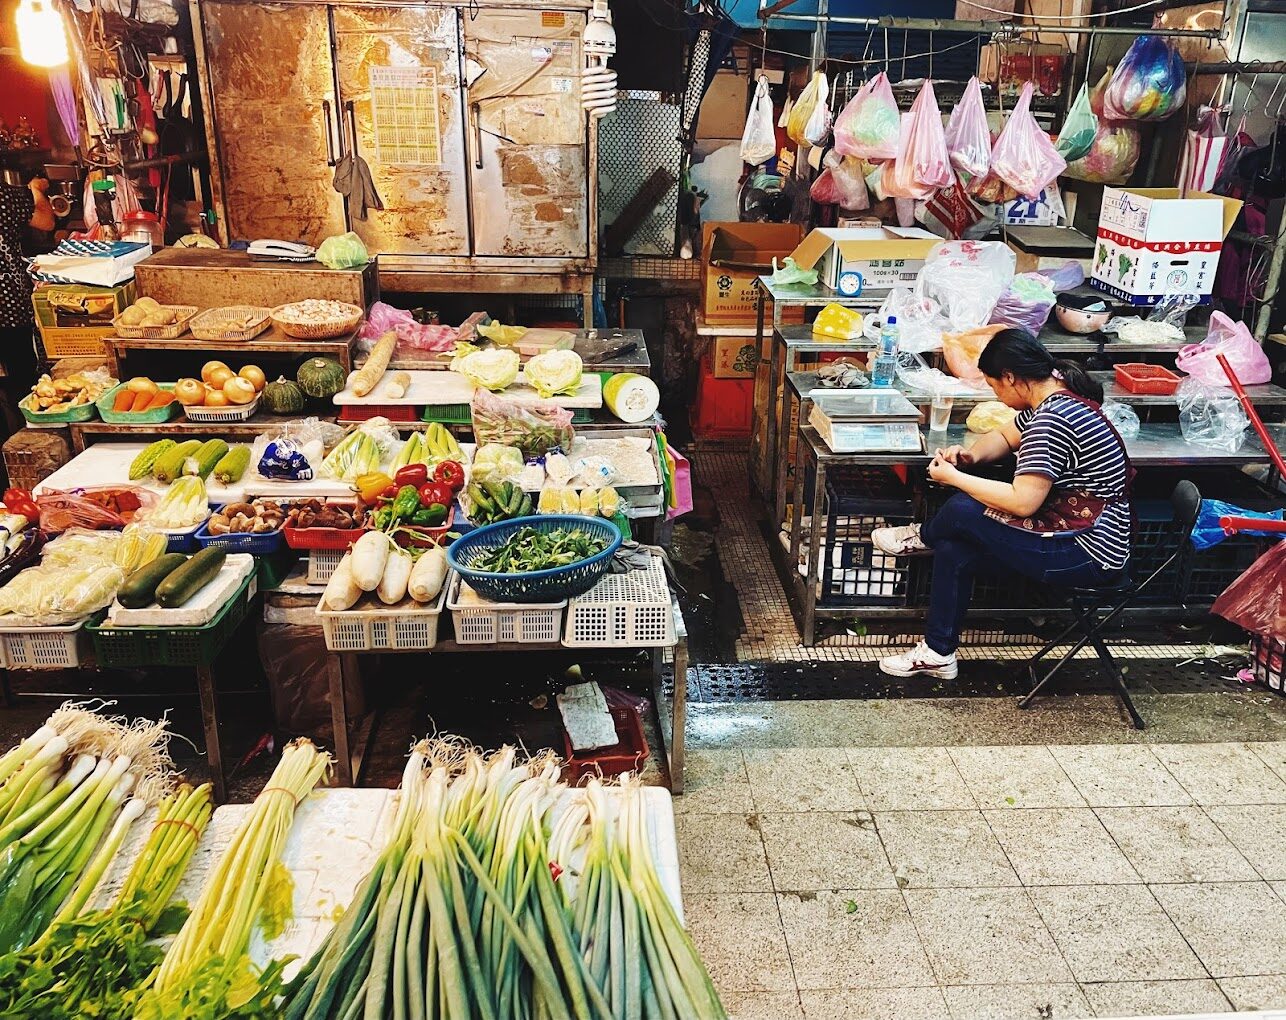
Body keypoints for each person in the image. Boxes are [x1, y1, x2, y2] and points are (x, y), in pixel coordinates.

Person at [871, 329, 1133, 680]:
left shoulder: (1053, 421)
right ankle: (938, 653)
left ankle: (921, 537)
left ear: (1011, 378)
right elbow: (1006, 436)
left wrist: (954, 477)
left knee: (962, 508)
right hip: (1069, 532)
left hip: (1087, 552)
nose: (996, 394)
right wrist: (970, 455)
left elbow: (1023, 503)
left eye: (995, 386)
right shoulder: (1054, 399)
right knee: (954, 549)